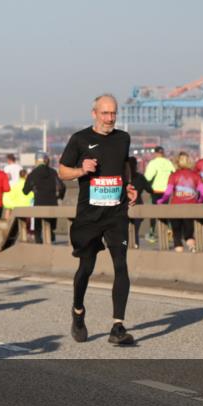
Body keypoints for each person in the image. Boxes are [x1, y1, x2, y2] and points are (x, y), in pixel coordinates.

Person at [58, 94, 138, 346]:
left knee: (121, 265)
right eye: (105, 113)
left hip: (116, 213)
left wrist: (129, 186)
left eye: (113, 113)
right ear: (94, 113)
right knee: (86, 268)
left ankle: (118, 326)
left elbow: (124, 166)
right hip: (89, 216)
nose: (110, 118)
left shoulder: (123, 138)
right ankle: (78, 311)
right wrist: (82, 170)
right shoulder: (80, 139)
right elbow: (62, 171)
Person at [156, 152, 203, 252]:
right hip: (191, 208)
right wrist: (199, 201)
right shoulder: (196, 175)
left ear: (177, 162)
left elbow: (167, 193)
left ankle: (179, 257)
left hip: (176, 208)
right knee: (189, 234)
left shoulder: (174, 176)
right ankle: (192, 246)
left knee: (177, 234)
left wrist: (161, 201)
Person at [22, 152, 66, 243]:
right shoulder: (53, 172)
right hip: (52, 204)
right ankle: (51, 235)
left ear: (36, 161)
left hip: (39, 204)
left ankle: (39, 242)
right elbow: (62, 187)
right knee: (51, 225)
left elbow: (25, 191)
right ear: (47, 161)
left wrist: (33, 188)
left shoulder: (33, 174)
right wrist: (60, 197)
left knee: (38, 228)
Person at [143, 146, 175, 243]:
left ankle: (152, 233)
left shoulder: (153, 163)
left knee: (154, 212)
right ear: (163, 153)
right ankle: (169, 229)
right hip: (167, 192)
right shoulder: (168, 163)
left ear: (156, 153)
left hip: (156, 191)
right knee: (165, 211)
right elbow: (174, 173)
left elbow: (147, 178)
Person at [126, 157, 151, 248]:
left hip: (124, 206)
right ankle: (135, 245)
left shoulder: (122, 178)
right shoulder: (140, 177)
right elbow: (150, 189)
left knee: (125, 230)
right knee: (135, 230)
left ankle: (127, 246)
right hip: (138, 205)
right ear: (136, 165)